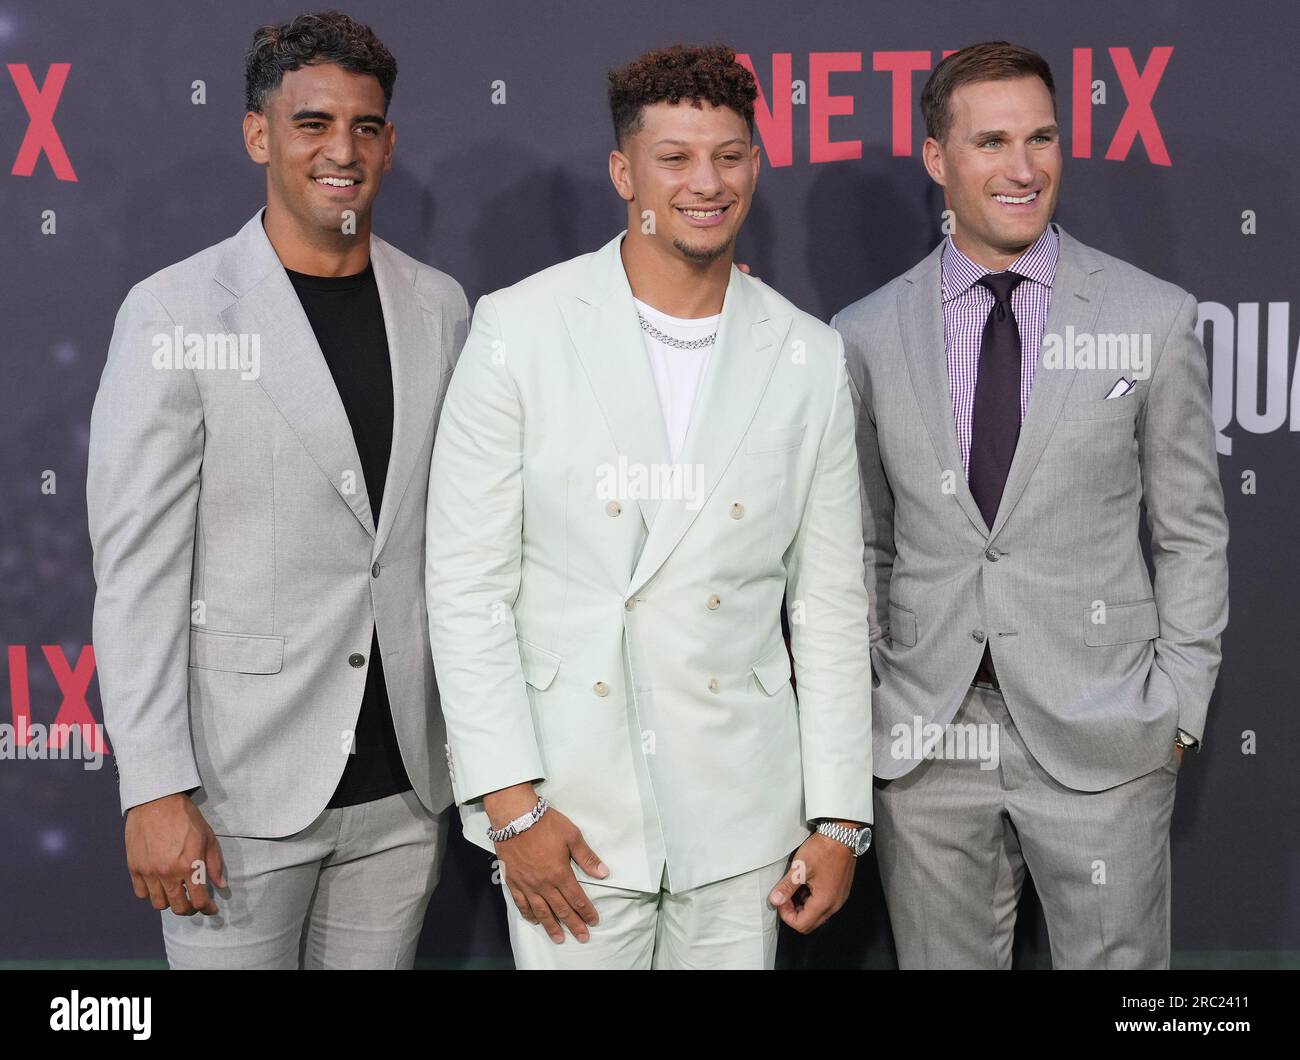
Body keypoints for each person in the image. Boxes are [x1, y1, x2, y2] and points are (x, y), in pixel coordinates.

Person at [425, 43, 873, 970]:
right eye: (675, 158)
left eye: (729, 155)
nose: (706, 183)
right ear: (625, 171)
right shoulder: (520, 329)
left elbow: (828, 602)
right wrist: (513, 811)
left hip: (740, 818)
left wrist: (839, 819)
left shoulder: (807, 355)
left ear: (756, 162)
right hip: (568, 817)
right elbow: (466, 588)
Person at [832, 40, 1229, 969]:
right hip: (929, 742)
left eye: (1042, 138)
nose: (1023, 168)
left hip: (1105, 736)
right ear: (938, 158)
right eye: (992, 141)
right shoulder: (867, 333)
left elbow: (1192, 534)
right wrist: (874, 700)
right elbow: (863, 547)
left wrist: (1175, 711)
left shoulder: (1149, 316)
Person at [86, 11, 468, 969]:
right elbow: (137, 574)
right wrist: (152, 788)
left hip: (404, 792)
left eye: (366, 126)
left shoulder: (441, 307)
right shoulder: (176, 311)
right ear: (259, 134)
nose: (342, 151)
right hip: (237, 794)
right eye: (313, 123)